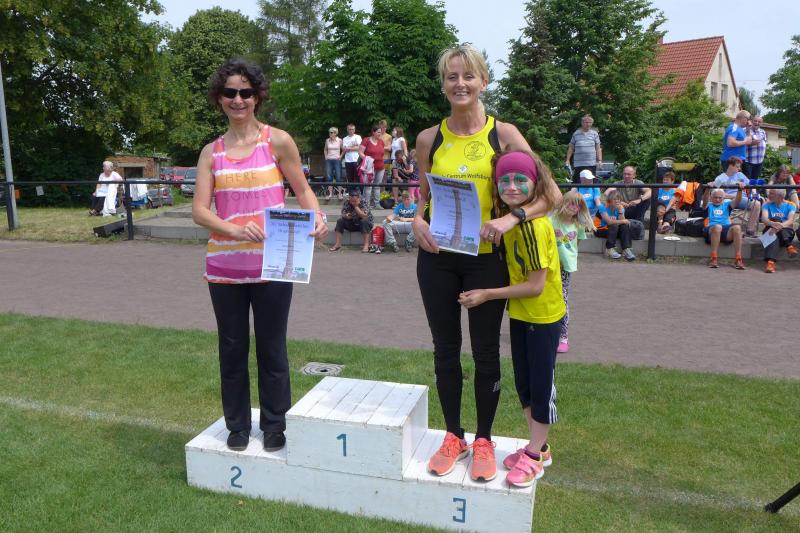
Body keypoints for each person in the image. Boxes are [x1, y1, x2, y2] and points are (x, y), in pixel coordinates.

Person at [411, 44, 562, 483]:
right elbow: (422, 198)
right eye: (451, 77)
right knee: (444, 350)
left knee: (485, 353)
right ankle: (453, 435)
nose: (460, 84)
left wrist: (511, 217)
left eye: (468, 76)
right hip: (438, 259)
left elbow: (551, 194)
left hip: (486, 261)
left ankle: (483, 440)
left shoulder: (504, 134)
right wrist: (417, 221)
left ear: (483, 81)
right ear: (443, 84)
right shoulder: (429, 139)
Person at [192, 58, 328, 453]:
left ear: (257, 97)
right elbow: (199, 210)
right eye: (230, 93)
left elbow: (303, 190)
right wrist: (234, 229)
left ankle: (274, 425)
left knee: (272, 348)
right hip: (225, 267)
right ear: (219, 98)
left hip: (275, 263)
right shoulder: (211, 153)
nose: (238, 100)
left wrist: (318, 217)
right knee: (232, 348)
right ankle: (236, 425)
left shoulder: (277, 141)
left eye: (246, 92)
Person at [458, 150, 563, 487]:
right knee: (525, 385)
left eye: (520, 180)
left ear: (536, 183)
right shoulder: (514, 222)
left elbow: (534, 286)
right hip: (522, 315)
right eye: (504, 180)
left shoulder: (533, 228)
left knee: (540, 387)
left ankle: (536, 455)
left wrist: (487, 293)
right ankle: (538, 446)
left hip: (542, 317)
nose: (512, 186)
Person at [549, 190, 593, 354]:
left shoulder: (577, 225)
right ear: (563, 203)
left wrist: (568, 258)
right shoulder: (551, 220)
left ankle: (563, 337)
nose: (574, 207)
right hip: (549, 265)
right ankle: (547, 331)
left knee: (562, 300)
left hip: (565, 268)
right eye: (571, 203)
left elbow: (577, 243)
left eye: (578, 205)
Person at [711, 156, 761, 236]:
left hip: (742, 199)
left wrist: (754, 193)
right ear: (731, 166)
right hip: (730, 200)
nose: (739, 168)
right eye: (737, 167)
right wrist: (735, 197)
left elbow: (752, 185)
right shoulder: (720, 178)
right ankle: (723, 228)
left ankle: (750, 229)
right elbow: (717, 194)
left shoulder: (740, 175)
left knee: (757, 203)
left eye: (739, 167)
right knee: (723, 203)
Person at [701, 186, 745, 269]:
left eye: (720, 198)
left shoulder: (727, 205)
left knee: (737, 227)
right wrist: (708, 189)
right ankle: (713, 258)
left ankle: (738, 259)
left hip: (725, 230)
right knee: (718, 227)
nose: (717, 200)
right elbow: (705, 199)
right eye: (715, 197)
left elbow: (737, 200)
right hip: (711, 230)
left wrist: (740, 189)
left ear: (723, 198)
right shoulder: (708, 205)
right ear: (711, 198)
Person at [760, 188, 798, 273]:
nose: (769, 195)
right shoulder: (766, 204)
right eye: (769, 193)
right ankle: (789, 246)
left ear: (780, 196)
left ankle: (770, 263)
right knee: (775, 223)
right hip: (770, 230)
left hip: (786, 231)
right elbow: (764, 219)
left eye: (772, 194)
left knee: (773, 231)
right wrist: (773, 224)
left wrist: (779, 226)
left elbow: (790, 220)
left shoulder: (791, 205)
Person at [595, 190, 635, 261]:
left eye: (618, 199)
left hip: (612, 230)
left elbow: (622, 222)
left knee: (624, 226)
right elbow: (609, 222)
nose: (617, 201)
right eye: (614, 199)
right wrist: (623, 221)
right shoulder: (603, 207)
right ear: (610, 200)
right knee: (614, 225)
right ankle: (609, 248)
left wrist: (620, 211)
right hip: (600, 229)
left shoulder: (620, 207)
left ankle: (626, 249)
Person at [565, 114, 602, 184]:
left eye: (590, 122)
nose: (588, 124)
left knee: (591, 182)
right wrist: (567, 160)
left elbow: (598, 148)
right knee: (578, 182)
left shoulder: (595, 134)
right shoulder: (576, 134)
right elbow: (571, 147)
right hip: (578, 164)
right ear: (582, 123)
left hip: (591, 164)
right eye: (586, 122)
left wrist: (599, 160)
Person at [359, 124, 386, 208]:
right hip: (369, 167)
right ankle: (366, 204)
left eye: (380, 132)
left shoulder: (381, 142)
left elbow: (382, 153)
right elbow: (360, 152)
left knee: (377, 186)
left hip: (380, 167)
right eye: (378, 132)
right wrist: (367, 159)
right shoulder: (366, 140)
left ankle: (377, 204)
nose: (380, 134)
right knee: (368, 186)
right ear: (373, 132)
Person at [744, 115, 768, 181]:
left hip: (759, 161)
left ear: (761, 123)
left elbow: (765, 143)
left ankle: (753, 189)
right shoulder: (746, 130)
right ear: (752, 121)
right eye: (755, 121)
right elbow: (742, 144)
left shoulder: (763, 132)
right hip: (748, 161)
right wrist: (751, 143)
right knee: (747, 181)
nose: (757, 123)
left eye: (759, 122)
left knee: (755, 181)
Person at [324, 126, 344, 199]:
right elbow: (325, 149)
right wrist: (326, 156)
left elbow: (343, 149)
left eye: (332, 132)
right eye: (329, 132)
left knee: (338, 177)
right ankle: (330, 194)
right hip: (329, 160)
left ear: (335, 133)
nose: (330, 133)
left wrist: (340, 156)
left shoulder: (340, 140)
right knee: (329, 177)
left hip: (337, 160)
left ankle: (340, 194)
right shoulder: (327, 140)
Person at [342, 124, 362, 190]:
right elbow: (344, 149)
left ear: (354, 130)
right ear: (347, 130)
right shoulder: (345, 139)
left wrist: (349, 148)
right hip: (348, 161)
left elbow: (359, 148)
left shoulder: (358, 137)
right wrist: (354, 146)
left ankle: (358, 192)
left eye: (352, 129)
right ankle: (351, 192)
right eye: (350, 129)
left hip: (357, 160)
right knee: (350, 178)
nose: (351, 131)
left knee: (357, 177)